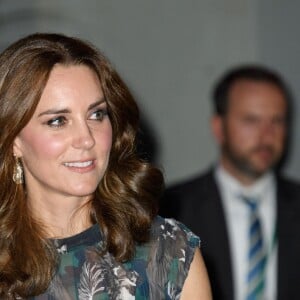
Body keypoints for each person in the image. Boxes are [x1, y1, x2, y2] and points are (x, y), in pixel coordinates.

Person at [0, 33, 212, 299]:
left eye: (96, 114)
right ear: (13, 141)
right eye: (57, 121)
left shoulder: (168, 253)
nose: (86, 139)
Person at [160, 65, 300, 300]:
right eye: (251, 120)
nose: (267, 135)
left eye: (277, 121)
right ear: (219, 127)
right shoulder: (171, 208)